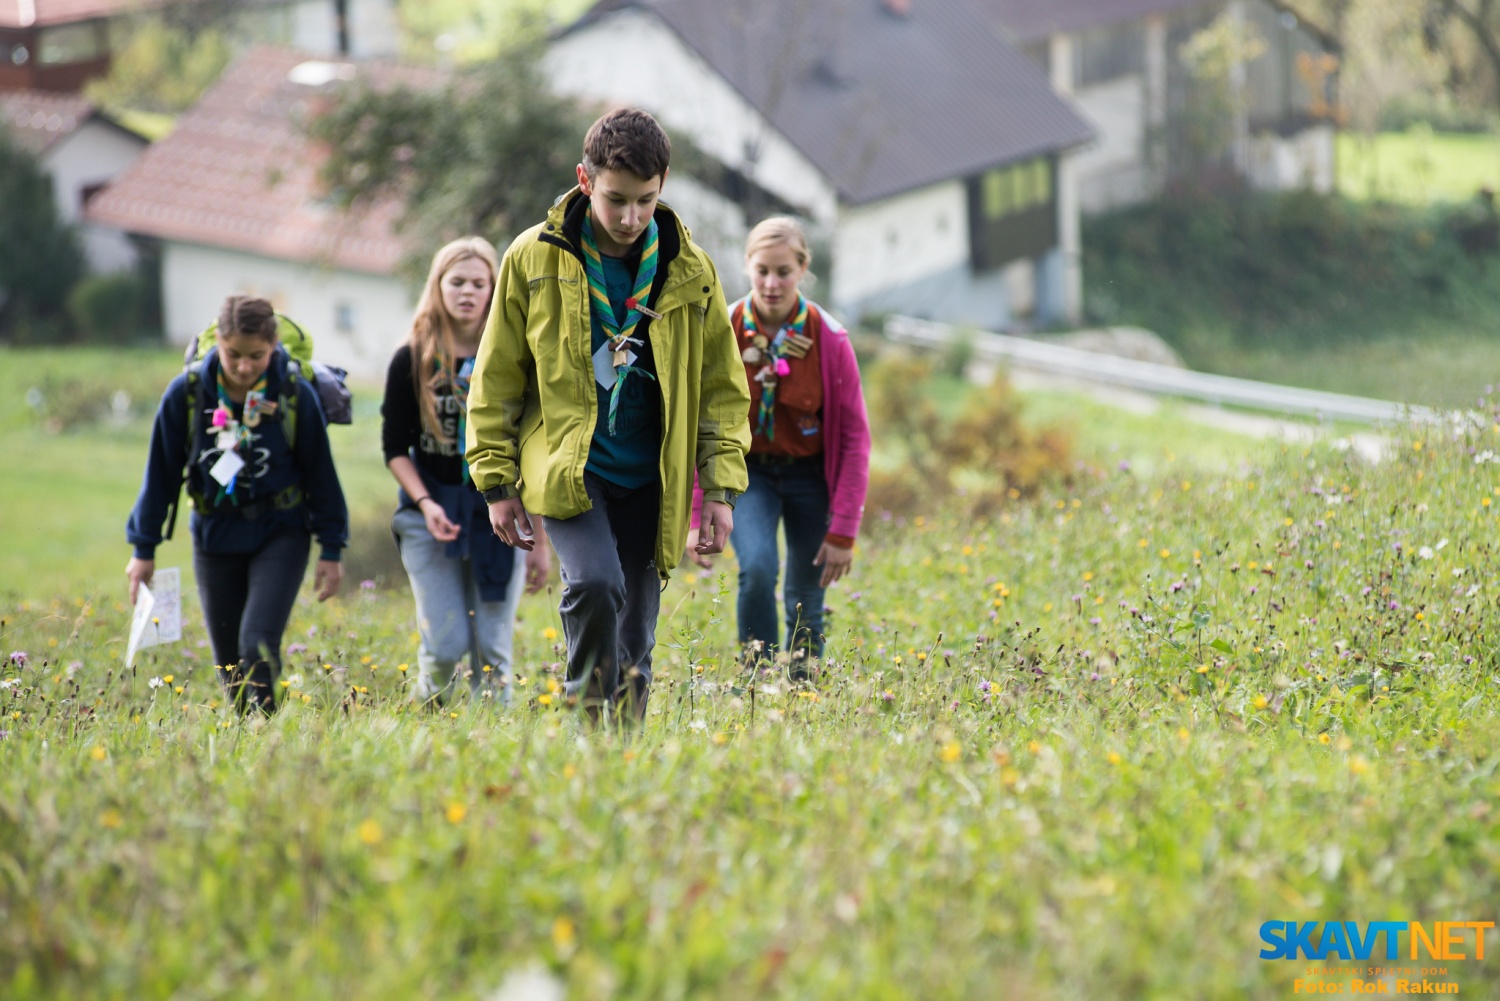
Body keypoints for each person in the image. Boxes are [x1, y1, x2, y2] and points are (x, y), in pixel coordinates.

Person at [467, 107, 751, 727]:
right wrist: (496, 482)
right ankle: (586, 719)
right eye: (617, 200)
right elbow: (497, 378)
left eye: (646, 202)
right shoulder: (533, 258)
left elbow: (721, 390)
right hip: (573, 466)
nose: (630, 219)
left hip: (654, 473)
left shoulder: (691, 269)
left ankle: (623, 754)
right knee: (596, 583)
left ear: (664, 185)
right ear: (585, 179)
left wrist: (721, 490)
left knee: (636, 634)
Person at [126, 295, 348, 714]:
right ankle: (246, 739)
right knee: (228, 659)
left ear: (274, 346)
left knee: (257, 643)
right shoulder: (187, 394)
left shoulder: (294, 394)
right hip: (214, 535)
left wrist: (332, 548)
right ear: (218, 344)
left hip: (281, 531)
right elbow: (161, 475)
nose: (244, 367)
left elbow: (322, 475)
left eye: (257, 356)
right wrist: (144, 549)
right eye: (233, 355)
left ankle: (268, 736)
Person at [690, 217, 871, 673]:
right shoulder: (724, 329)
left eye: (784, 272)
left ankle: (802, 686)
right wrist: (696, 514)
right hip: (748, 474)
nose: (772, 284)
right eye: (762, 271)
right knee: (756, 570)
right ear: (748, 266)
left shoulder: (829, 338)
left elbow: (854, 439)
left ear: (803, 268)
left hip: (812, 476)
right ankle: (757, 681)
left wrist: (844, 531)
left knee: (806, 589)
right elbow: (699, 423)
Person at [382, 236, 549, 706]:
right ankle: (426, 724)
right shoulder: (411, 358)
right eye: (457, 282)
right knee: (445, 645)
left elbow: (532, 449)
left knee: (493, 649)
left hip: (503, 514)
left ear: (495, 288)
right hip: (430, 512)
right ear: (438, 286)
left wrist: (540, 541)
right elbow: (395, 447)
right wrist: (426, 503)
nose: (468, 292)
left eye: (479, 283)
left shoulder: (514, 357)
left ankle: (494, 738)